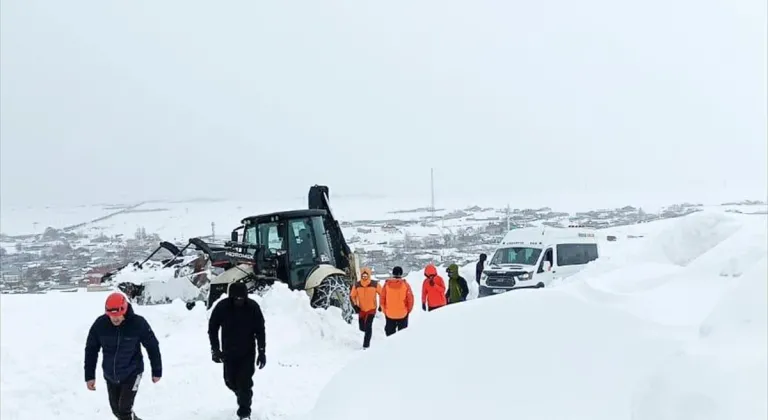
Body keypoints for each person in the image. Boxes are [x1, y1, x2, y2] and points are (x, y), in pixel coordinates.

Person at [84, 292, 162, 420]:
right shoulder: (100, 325)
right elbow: (91, 350)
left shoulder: (138, 324)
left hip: (132, 372)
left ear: (124, 310)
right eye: (111, 316)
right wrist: (89, 376)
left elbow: (152, 346)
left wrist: (157, 371)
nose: (115, 319)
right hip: (110, 375)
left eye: (118, 315)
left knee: (124, 410)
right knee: (117, 411)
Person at [208, 282, 267, 420]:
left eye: (242, 298)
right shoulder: (222, 308)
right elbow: (212, 328)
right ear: (231, 297)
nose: (239, 301)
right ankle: (242, 395)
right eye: (236, 299)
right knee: (230, 381)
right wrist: (215, 349)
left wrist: (262, 351)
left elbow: (260, 331)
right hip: (228, 352)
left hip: (247, 352)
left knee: (244, 382)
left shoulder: (253, 308)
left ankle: (244, 412)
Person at [350, 267, 382, 349]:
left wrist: (381, 305)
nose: (364, 277)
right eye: (363, 276)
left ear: (369, 275)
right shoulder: (357, 285)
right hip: (361, 309)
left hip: (371, 309)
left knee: (368, 326)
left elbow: (382, 294)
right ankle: (367, 334)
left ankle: (366, 345)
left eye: (366, 276)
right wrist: (355, 306)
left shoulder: (375, 284)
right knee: (362, 328)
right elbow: (352, 296)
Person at [380, 266, 414, 336]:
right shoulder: (405, 285)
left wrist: (385, 311)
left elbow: (382, 299)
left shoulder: (386, 285)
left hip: (390, 314)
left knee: (390, 334)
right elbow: (410, 299)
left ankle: (390, 345)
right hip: (402, 314)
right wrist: (408, 311)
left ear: (393, 273)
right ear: (401, 274)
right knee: (403, 334)